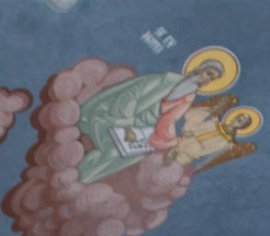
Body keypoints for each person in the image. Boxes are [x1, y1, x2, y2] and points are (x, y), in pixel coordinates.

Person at [74, 51, 230, 183]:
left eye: (212, 79)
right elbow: (130, 95)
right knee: (114, 151)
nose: (207, 80)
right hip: (112, 114)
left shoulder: (189, 96)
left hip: (138, 127)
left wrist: (173, 142)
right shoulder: (166, 80)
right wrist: (127, 126)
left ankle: (84, 179)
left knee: (136, 155)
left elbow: (168, 120)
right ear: (199, 69)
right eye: (208, 74)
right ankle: (78, 177)